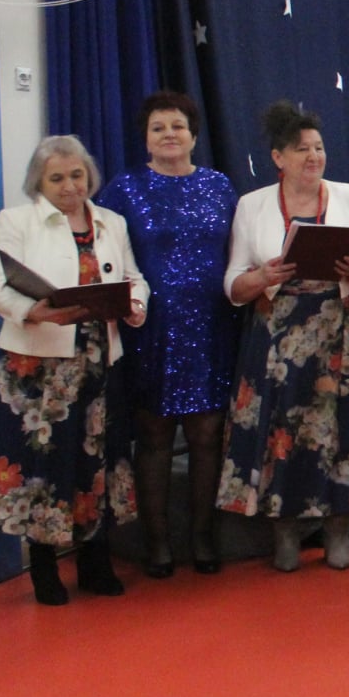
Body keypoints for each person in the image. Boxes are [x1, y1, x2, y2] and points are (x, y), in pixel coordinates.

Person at [0, 137, 149, 604]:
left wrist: (135, 304)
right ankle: (44, 568)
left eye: (76, 175)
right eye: (57, 178)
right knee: (41, 464)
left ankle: (94, 562)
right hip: (36, 365)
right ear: (39, 182)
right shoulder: (16, 221)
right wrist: (38, 312)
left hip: (97, 361)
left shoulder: (111, 222)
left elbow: (134, 278)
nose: (69, 186)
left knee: (96, 459)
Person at [218, 101, 349, 572]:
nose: (313, 156)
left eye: (319, 147)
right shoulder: (252, 205)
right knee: (279, 432)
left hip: (336, 331)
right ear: (278, 157)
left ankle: (337, 529)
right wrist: (262, 276)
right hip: (276, 336)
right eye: (302, 149)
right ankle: (284, 531)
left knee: (340, 430)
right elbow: (233, 284)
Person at [96, 91, 238, 576]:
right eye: (158, 127)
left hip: (213, 327)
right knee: (153, 435)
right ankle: (156, 542)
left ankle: (203, 537)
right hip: (150, 329)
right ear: (146, 138)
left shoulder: (219, 185)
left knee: (207, 435)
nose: (169, 134)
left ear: (194, 135)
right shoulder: (124, 189)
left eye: (177, 126)